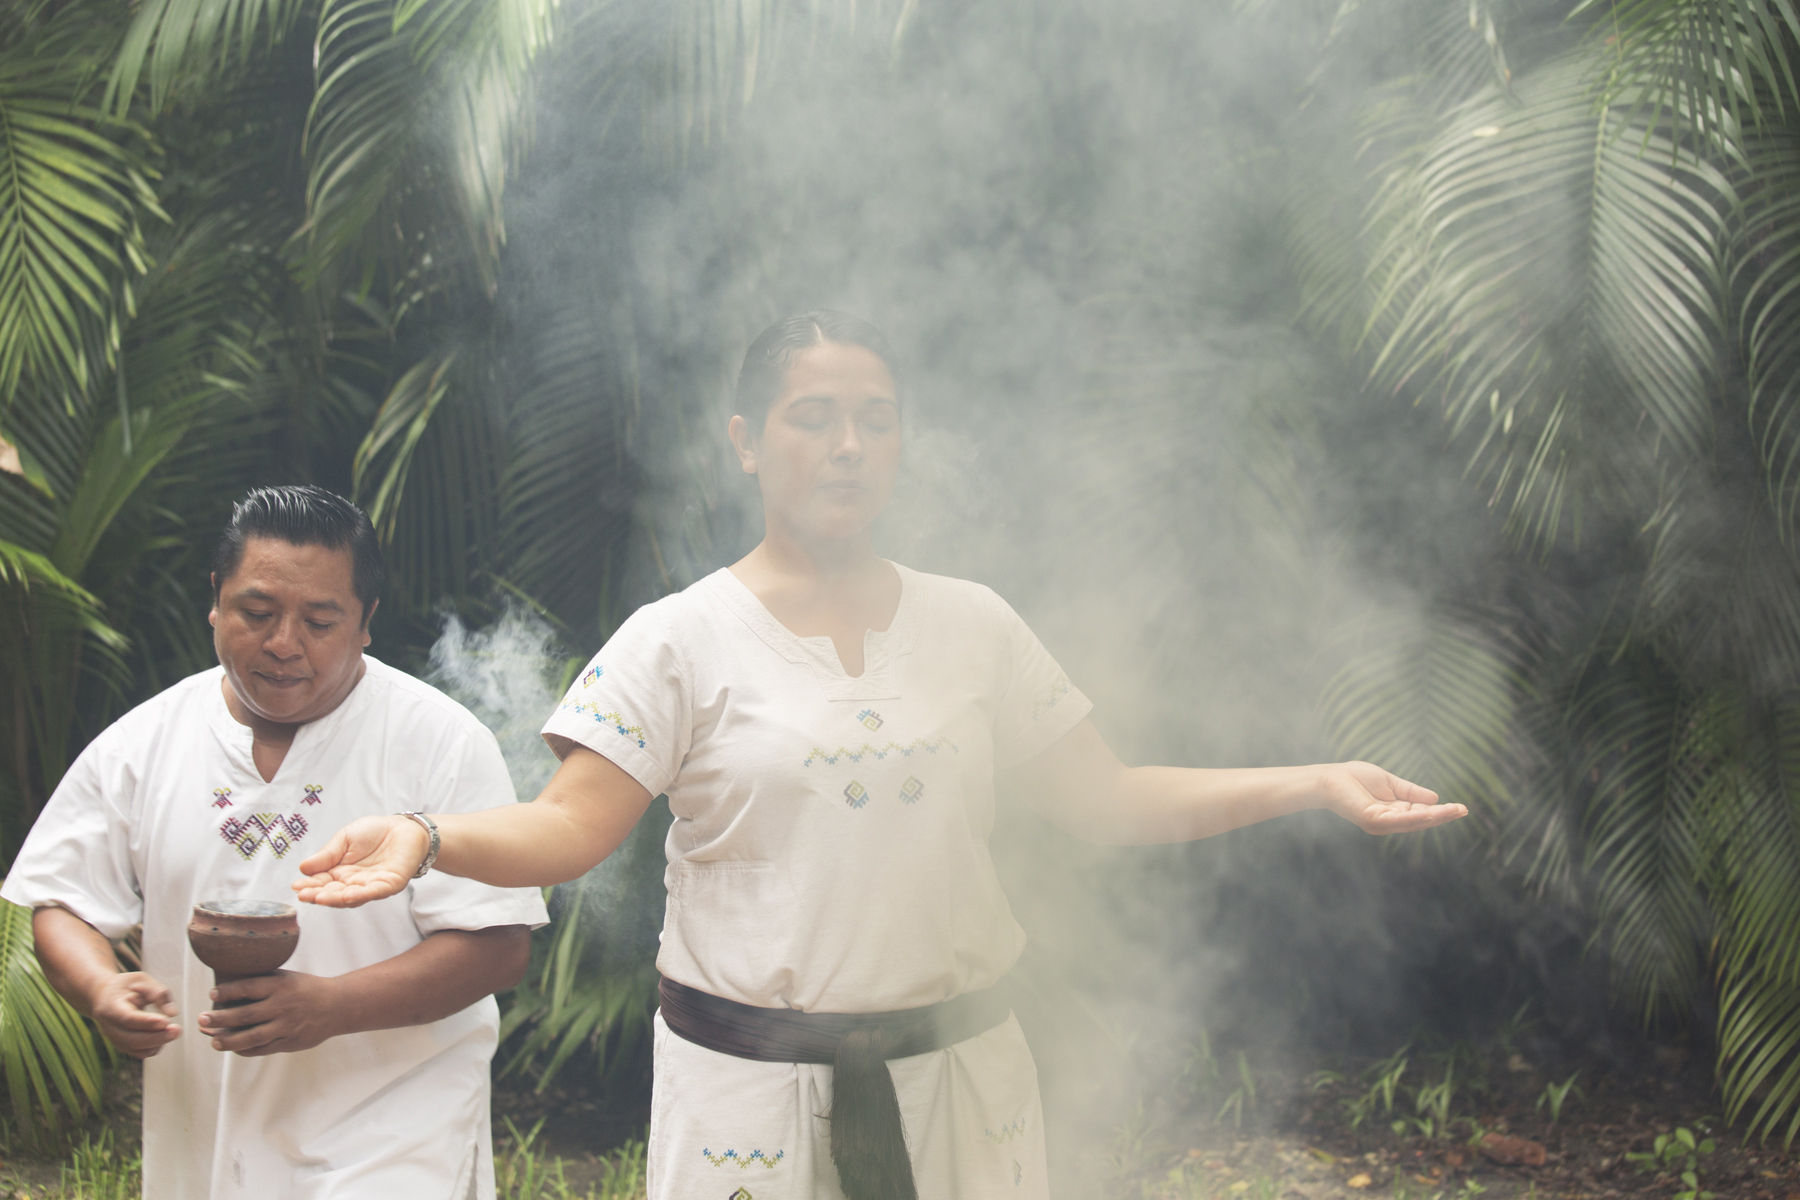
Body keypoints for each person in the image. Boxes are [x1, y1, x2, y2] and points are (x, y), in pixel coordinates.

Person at [295, 312, 1467, 1200]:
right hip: (751, 1094)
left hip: (958, 1081)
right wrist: (430, 840)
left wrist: (1313, 781)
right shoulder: (679, 638)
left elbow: (1104, 799)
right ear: (748, 441)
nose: (849, 445)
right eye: (815, 417)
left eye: (877, 417)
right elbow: (571, 827)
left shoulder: (974, 623)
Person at [3, 485, 549, 1199]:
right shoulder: (144, 744)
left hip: (394, 1126)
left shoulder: (438, 742)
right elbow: (63, 901)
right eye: (256, 613)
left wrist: (332, 1006)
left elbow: (498, 941)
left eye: (320, 620)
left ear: (366, 622)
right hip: (206, 1124)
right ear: (216, 599)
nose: (284, 643)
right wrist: (102, 988)